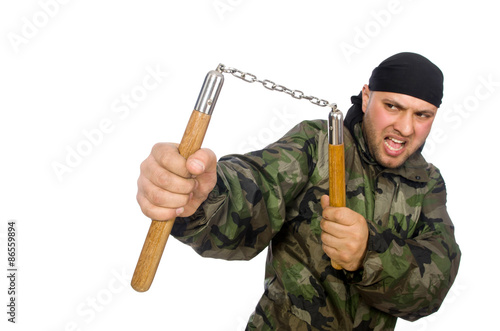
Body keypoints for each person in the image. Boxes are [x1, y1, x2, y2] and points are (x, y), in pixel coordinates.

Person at [136, 52, 461, 330]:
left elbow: (434, 284)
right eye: (392, 106)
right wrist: (206, 195)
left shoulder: (427, 181)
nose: (405, 128)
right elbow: (259, 186)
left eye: (422, 115)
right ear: (366, 97)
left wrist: (368, 252)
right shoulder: (317, 144)